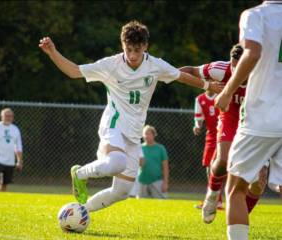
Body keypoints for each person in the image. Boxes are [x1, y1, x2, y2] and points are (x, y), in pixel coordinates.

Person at [39, 20, 222, 213]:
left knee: (122, 191)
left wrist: (208, 86)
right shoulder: (111, 65)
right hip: (114, 124)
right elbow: (74, 71)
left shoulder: (155, 65)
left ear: (145, 46)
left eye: (137, 50)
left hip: (134, 134)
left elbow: (181, 76)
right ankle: (80, 174)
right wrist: (53, 52)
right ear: (122, 45)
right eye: (128, 50)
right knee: (117, 162)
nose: (133, 55)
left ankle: (82, 212)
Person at [215, 1, 282, 240]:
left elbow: (252, 53)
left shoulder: (255, 15)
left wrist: (226, 92)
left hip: (260, 116)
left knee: (236, 189)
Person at [180, 43, 267, 224]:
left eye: (241, 66)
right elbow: (192, 70)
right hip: (231, 116)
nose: (237, 72)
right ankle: (211, 197)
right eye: (234, 66)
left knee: (259, 183)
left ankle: (239, 219)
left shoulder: (264, 75)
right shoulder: (220, 69)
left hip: (257, 123)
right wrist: (165, 73)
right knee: (223, 160)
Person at [193, 90, 223, 209]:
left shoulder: (221, 95)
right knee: (209, 168)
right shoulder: (200, 99)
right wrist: (197, 126)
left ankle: (221, 200)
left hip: (224, 134)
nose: (212, 80)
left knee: (223, 167)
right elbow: (198, 119)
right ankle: (214, 200)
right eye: (208, 78)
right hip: (211, 136)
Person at [137, 125, 169, 199]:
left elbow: (165, 167)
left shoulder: (160, 148)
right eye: (145, 134)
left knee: (161, 203)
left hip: (157, 181)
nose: (146, 136)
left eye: (148, 134)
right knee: (140, 204)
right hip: (142, 180)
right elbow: (137, 164)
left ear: (153, 135)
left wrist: (165, 182)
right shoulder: (139, 148)